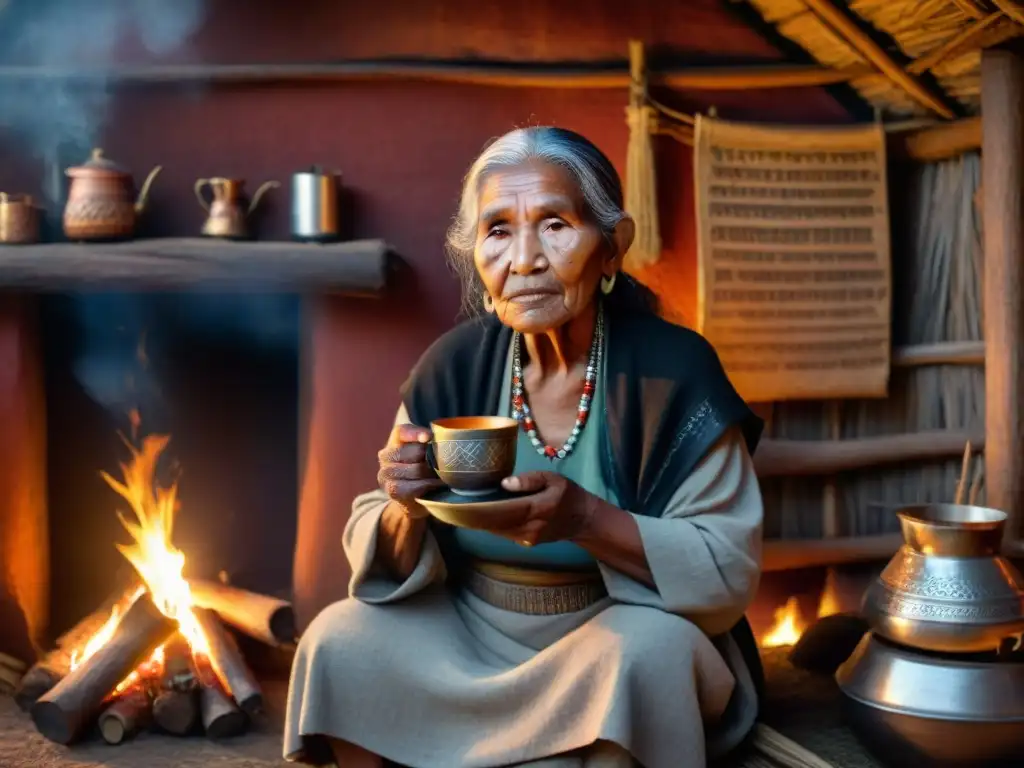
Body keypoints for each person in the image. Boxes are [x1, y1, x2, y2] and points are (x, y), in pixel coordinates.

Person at [284, 126, 765, 768]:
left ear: (612, 248)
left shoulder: (674, 374)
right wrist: (404, 504)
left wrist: (586, 520)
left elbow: (726, 565)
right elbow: (380, 530)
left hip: (607, 632)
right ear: (476, 255)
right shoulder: (453, 366)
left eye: (556, 225)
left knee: (648, 657)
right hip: (468, 630)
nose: (525, 259)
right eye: (499, 231)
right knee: (337, 640)